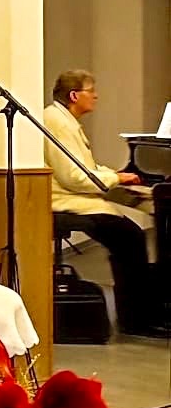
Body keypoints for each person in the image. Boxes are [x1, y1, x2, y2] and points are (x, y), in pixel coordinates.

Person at [44, 70, 168, 338]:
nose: (96, 95)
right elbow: (75, 177)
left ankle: (146, 310)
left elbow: (83, 167)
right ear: (74, 95)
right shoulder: (59, 123)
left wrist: (113, 175)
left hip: (72, 195)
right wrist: (115, 178)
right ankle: (137, 320)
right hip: (63, 201)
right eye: (91, 90)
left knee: (130, 233)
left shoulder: (62, 119)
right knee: (129, 236)